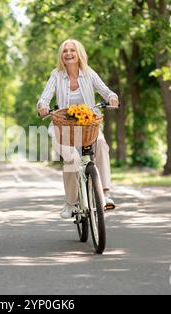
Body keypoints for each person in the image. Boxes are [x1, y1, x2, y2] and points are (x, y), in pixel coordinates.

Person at [37, 39, 119, 219]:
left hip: (88, 125)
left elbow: (106, 91)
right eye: (65, 50)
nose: (68, 53)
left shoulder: (89, 74)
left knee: (102, 144)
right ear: (61, 55)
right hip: (63, 127)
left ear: (79, 53)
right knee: (72, 159)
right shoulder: (56, 75)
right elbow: (45, 97)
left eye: (72, 50)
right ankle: (71, 203)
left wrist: (112, 97)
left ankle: (104, 193)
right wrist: (42, 106)